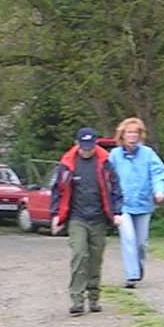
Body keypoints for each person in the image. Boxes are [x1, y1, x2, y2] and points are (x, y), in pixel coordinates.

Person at [50, 127, 122, 315]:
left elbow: (115, 189)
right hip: (76, 217)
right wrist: (56, 214)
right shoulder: (67, 164)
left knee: (95, 259)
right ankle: (77, 299)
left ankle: (94, 297)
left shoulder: (105, 163)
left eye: (90, 147)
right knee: (80, 255)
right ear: (77, 144)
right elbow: (58, 190)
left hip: (99, 217)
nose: (87, 150)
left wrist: (117, 212)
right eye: (84, 147)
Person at [106, 117, 164, 288]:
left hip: (143, 204)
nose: (132, 135)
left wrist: (159, 190)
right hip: (123, 205)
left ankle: (138, 267)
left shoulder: (148, 154)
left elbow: (159, 173)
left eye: (135, 132)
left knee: (141, 242)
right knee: (129, 238)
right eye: (129, 132)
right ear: (122, 135)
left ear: (140, 135)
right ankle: (131, 275)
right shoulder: (114, 156)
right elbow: (107, 178)